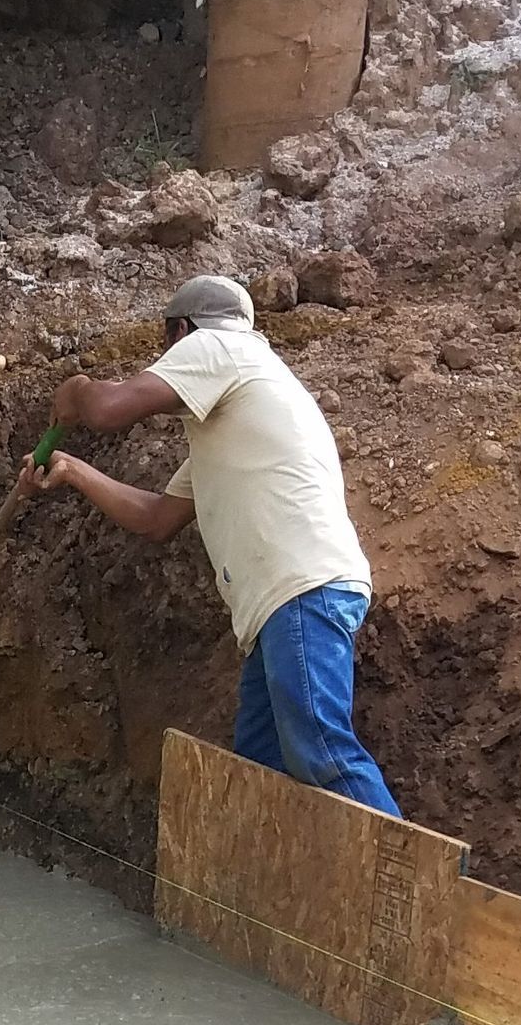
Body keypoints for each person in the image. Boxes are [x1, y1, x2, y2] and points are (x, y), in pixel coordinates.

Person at [25, 268, 399, 819]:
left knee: (320, 749)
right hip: (282, 604)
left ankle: (417, 896)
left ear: (182, 332)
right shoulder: (230, 422)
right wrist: (73, 470)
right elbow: (156, 518)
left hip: (299, 589)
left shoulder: (219, 346)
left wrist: (76, 390)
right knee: (260, 764)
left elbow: (106, 409)